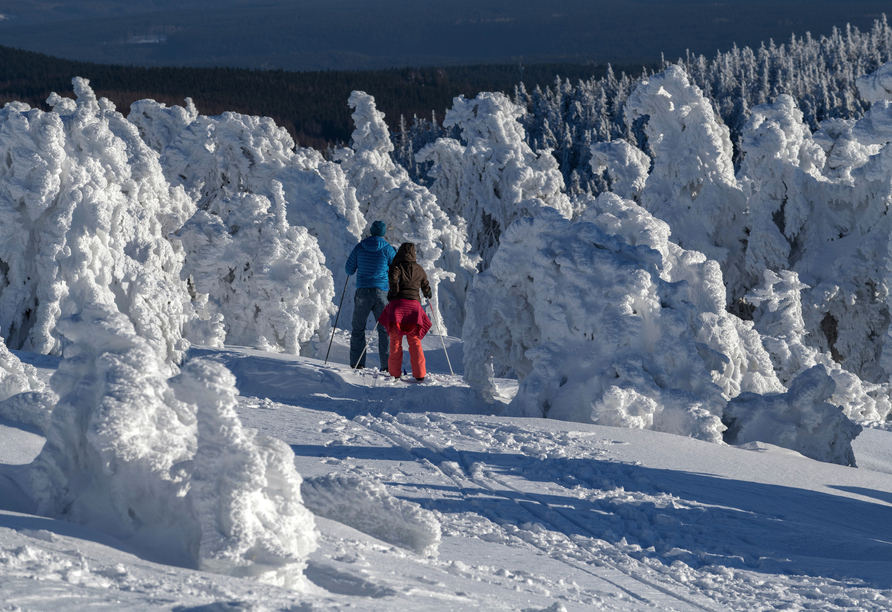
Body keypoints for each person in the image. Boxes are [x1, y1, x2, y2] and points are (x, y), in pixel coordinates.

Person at [345, 220, 396, 369]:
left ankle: (357, 363)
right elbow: (396, 269)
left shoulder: (360, 247)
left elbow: (349, 270)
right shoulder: (387, 249)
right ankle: (387, 366)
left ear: (371, 231)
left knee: (358, 327)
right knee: (385, 329)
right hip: (381, 292)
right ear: (383, 233)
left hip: (363, 292)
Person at [378, 243, 432, 381]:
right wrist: (427, 293)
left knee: (395, 341)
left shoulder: (397, 267)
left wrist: (394, 291)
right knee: (414, 341)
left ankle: (394, 373)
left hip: (397, 307)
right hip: (414, 309)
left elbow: (393, 277)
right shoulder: (419, 269)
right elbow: (425, 285)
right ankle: (420, 374)